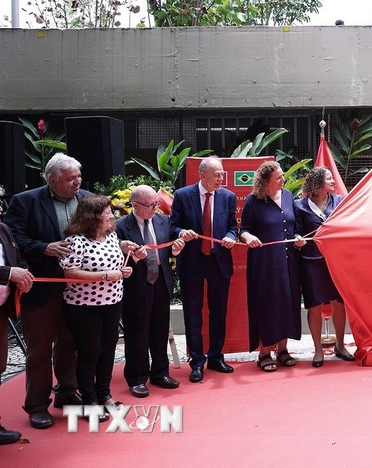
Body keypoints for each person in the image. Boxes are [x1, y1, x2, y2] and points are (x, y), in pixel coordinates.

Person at [3, 153, 90, 429]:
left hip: (78, 285)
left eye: (78, 176)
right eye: (70, 178)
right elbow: (13, 239)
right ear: (51, 179)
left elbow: (101, 232)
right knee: (40, 347)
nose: (77, 182)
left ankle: (66, 391)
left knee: (71, 342)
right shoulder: (25, 201)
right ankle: (37, 405)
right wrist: (45, 247)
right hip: (41, 287)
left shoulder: (87, 198)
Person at [59, 195, 133, 420]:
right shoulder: (76, 240)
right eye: (107, 212)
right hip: (84, 306)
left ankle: (105, 395)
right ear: (93, 216)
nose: (112, 215)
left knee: (108, 351)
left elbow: (115, 266)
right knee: (90, 353)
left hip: (112, 302)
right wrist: (104, 275)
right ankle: (89, 400)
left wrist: (122, 272)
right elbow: (70, 274)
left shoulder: (111, 237)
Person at [170, 156, 238, 384]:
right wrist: (181, 233)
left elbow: (232, 227)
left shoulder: (227, 197)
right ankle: (196, 361)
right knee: (193, 313)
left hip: (218, 261)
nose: (221, 179)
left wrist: (230, 237)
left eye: (222, 174)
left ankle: (216, 357)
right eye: (216, 175)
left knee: (219, 312)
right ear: (202, 175)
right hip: (192, 260)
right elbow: (172, 226)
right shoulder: (182, 196)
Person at [116, 185, 184, 398]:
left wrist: (175, 249)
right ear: (135, 205)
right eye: (150, 205)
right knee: (137, 333)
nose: (156, 207)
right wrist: (135, 256)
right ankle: (137, 378)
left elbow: (167, 249)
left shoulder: (163, 220)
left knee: (159, 330)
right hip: (136, 285)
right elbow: (112, 254)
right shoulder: (120, 226)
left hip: (161, 283)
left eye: (157, 203)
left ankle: (160, 372)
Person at [239, 161, 304, 371]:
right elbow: (243, 230)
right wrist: (249, 237)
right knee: (266, 304)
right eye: (278, 177)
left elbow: (296, 227)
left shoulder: (287, 197)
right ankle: (264, 352)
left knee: (287, 302)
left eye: (283, 175)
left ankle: (282, 350)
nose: (283, 180)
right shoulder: (253, 201)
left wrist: (297, 237)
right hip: (264, 263)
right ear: (265, 181)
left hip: (289, 261)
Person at [295, 167, 354, 367]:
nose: (333, 181)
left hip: (335, 261)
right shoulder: (300, 206)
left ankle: (340, 345)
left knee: (339, 302)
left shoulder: (339, 201)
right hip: (311, 262)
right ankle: (318, 350)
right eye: (328, 178)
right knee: (314, 305)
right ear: (318, 183)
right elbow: (296, 232)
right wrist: (297, 239)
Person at [0, 221, 34, 444]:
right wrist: (10, 272)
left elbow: (16, 255)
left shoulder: (3, 227)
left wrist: (25, 274)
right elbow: (10, 267)